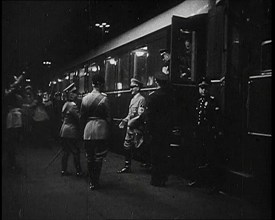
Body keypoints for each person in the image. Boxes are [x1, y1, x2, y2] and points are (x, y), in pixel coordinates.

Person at [187, 77, 224, 193]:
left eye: (205, 88)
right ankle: (198, 179)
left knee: (211, 158)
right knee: (199, 156)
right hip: (200, 133)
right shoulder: (198, 101)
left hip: (209, 134)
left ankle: (214, 184)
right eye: (201, 88)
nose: (203, 90)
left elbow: (216, 119)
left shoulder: (213, 102)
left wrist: (216, 132)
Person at [80, 74, 111, 190]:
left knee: (89, 157)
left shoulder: (85, 98)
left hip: (88, 130)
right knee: (98, 157)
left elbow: (82, 117)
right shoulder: (104, 98)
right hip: (100, 130)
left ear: (93, 84)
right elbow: (108, 117)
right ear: (101, 84)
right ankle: (95, 181)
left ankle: (91, 181)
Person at [146, 72, 174, 187]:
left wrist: (149, 130)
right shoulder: (170, 96)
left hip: (156, 131)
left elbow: (149, 116)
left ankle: (155, 179)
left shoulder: (153, 96)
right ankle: (163, 178)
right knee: (164, 154)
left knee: (155, 155)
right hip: (166, 130)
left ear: (157, 82)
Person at [117, 77, 146, 174]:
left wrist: (130, 122)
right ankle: (127, 165)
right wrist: (124, 121)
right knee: (127, 146)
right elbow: (130, 114)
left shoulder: (141, 99)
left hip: (136, 127)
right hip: (131, 127)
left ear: (138, 88)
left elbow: (140, 115)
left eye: (133, 87)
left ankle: (147, 163)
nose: (131, 89)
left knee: (139, 146)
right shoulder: (133, 99)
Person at [59, 83, 82, 177]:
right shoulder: (72, 105)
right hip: (71, 131)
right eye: (74, 93)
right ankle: (79, 171)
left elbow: (62, 118)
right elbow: (79, 118)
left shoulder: (65, 104)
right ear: (71, 94)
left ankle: (63, 170)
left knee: (66, 151)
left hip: (64, 130)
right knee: (76, 151)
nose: (76, 95)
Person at [4, 74, 24, 171]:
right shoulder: (8, 94)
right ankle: (11, 163)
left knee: (13, 141)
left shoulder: (14, 94)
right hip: (10, 119)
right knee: (10, 141)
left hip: (14, 119)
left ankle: (12, 162)